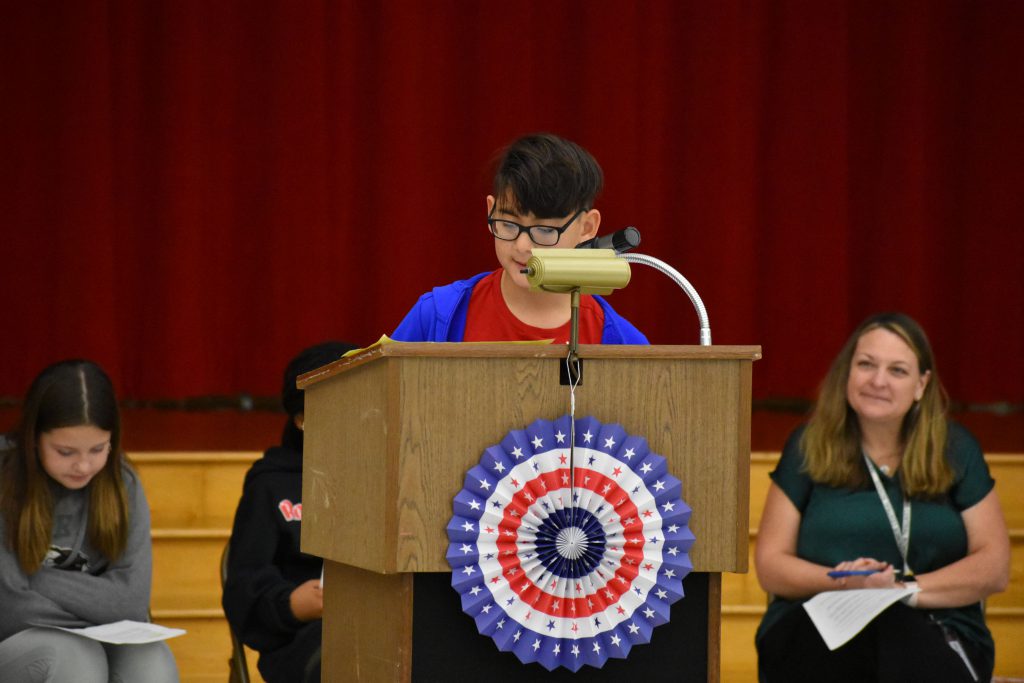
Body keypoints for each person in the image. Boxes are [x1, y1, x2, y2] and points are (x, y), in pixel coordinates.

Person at [754, 312, 1010, 682]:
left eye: (898, 371)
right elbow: (771, 566)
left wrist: (898, 591)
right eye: (866, 364)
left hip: (932, 622)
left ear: (922, 384)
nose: (878, 381)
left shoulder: (955, 449)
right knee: (849, 642)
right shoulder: (807, 445)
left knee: (893, 628)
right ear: (847, 373)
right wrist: (847, 583)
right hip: (820, 621)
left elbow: (995, 566)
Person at [0, 360, 179, 683]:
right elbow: (10, 610)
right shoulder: (5, 479)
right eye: (65, 452)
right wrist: (99, 604)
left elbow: (131, 603)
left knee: (153, 661)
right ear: (34, 437)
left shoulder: (123, 483)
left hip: (97, 637)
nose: (83, 466)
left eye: (98, 449)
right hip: (12, 645)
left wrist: (36, 578)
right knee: (76, 658)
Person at [391, 132, 648, 344]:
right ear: (490, 210)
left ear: (587, 227)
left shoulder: (622, 342)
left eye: (545, 231)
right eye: (509, 223)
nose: (523, 246)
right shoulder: (437, 315)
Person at [223, 341, 357, 683]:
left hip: (384, 625)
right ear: (302, 419)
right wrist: (290, 604)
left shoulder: (395, 474)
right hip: (303, 638)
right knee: (350, 661)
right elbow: (243, 587)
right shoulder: (270, 485)